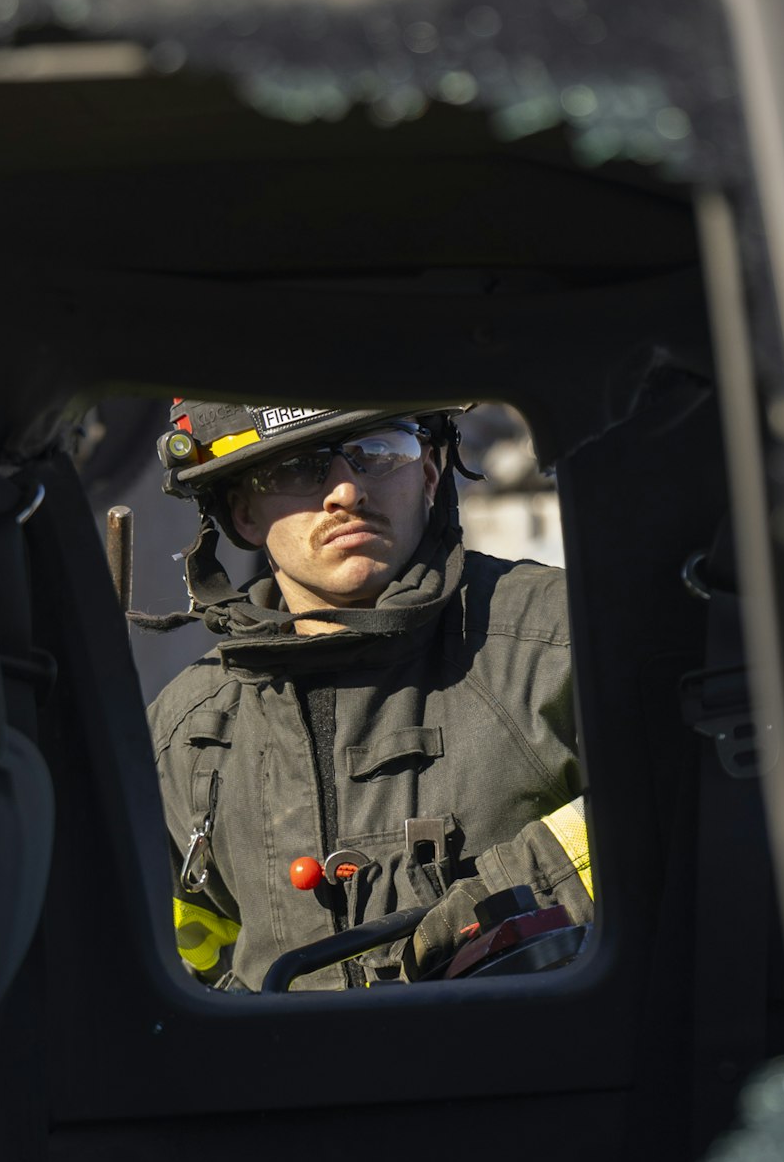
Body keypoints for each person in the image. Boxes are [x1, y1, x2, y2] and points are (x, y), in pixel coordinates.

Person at [143, 400, 593, 991]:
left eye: (381, 453)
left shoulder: (565, 642)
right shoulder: (185, 735)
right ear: (242, 513)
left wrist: (507, 906)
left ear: (430, 472)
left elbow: (675, 803)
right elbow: (173, 958)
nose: (346, 492)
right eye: (299, 469)